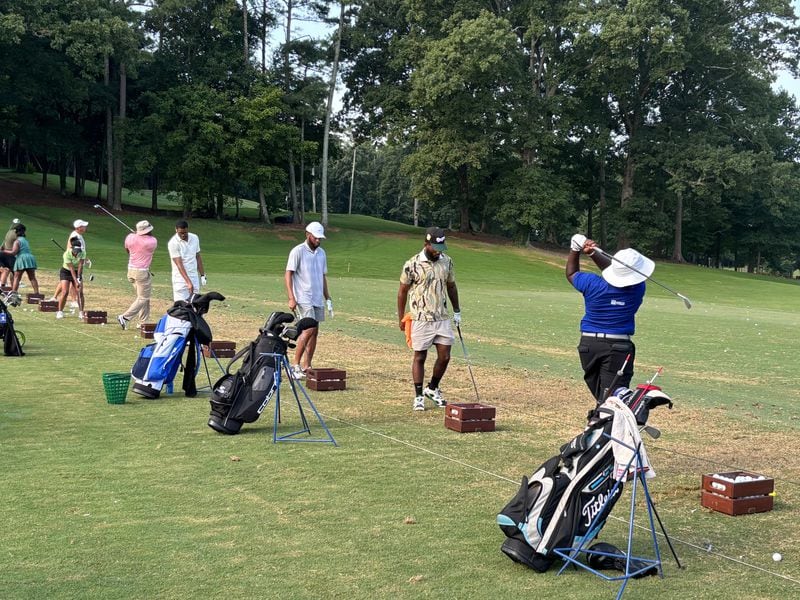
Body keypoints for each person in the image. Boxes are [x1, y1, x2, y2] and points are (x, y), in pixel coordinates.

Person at [565, 234, 654, 403]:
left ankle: (600, 422)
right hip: (618, 349)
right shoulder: (637, 289)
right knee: (612, 401)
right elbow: (615, 273)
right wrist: (592, 253)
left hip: (589, 346)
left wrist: (575, 250)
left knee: (605, 398)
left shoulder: (592, 284)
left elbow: (572, 273)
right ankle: (605, 424)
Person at [397, 227, 461, 411]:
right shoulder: (412, 264)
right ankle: (418, 396)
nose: (438, 250)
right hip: (420, 318)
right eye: (434, 247)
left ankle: (432, 388)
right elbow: (402, 293)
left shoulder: (447, 262)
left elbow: (451, 286)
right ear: (426, 244)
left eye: (440, 247)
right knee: (420, 356)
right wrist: (401, 318)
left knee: (445, 356)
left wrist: (457, 311)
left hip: (442, 317)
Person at [284, 221, 333, 379]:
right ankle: (295, 365)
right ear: (308, 235)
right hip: (303, 297)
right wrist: (291, 297)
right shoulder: (298, 251)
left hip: (317, 297)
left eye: (320, 239)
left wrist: (328, 297)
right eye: (316, 238)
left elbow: (322, 276)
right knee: (308, 329)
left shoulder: (322, 253)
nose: (318, 241)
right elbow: (288, 274)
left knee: (315, 332)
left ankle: (307, 365)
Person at [117, 220, 157, 330]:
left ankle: (143, 322)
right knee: (143, 298)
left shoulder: (129, 237)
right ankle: (124, 317)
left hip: (131, 271)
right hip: (141, 272)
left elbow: (127, 250)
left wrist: (135, 235)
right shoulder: (152, 241)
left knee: (144, 298)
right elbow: (148, 238)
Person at [168, 220, 205, 301]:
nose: (183, 235)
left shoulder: (195, 238)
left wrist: (202, 275)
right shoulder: (173, 243)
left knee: (194, 304)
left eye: (185, 232)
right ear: (176, 230)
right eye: (180, 233)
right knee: (181, 306)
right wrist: (188, 282)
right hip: (180, 279)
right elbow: (179, 264)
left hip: (194, 276)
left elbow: (197, 256)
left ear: (187, 229)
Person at [4, 224, 39, 296]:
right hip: (30, 258)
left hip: (22, 258)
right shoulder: (25, 240)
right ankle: (36, 293)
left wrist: (4, 251)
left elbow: (14, 252)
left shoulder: (17, 241)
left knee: (16, 277)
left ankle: (14, 293)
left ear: (16, 232)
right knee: (32, 277)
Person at [56, 237, 85, 319]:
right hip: (66, 271)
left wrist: (79, 277)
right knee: (65, 292)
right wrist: (76, 281)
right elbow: (71, 269)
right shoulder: (66, 254)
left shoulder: (82, 252)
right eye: (76, 250)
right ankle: (60, 312)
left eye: (79, 250)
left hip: (77, 272)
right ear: (72, 248)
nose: (77, 252)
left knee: (80, 292)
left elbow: (80, 265)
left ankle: (81, 312)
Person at [0, 218, 20, 287]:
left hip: (5, 253)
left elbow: (4, 243)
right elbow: (19, 243)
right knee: (13, 272)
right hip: (12, 254)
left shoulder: (8, 232)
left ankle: (3, 286)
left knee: (6, 271)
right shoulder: (16, 234)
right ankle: (12, 288)